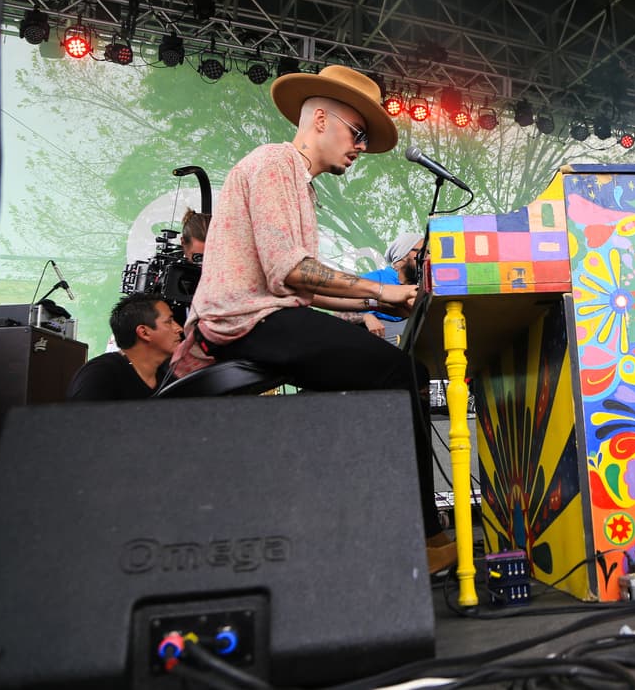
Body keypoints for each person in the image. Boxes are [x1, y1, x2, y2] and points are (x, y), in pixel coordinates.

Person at [169, 64, 455, 574]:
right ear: (320, 119)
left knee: (383, 379)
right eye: (357, 132)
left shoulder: (299, 184)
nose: (361, 147)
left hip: (264, 317)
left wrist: (374, 304)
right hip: (245, 321)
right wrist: (380, 289)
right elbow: (292, 271)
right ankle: (424, 539)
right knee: (400, 374)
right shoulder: (275, 163)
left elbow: (301, 287)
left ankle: (364, 530)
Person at [68, 293, 183, 400]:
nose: (179, 329)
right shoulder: (99, 375)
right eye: (169, 322)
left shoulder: (169, 376)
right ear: (144, 333)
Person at [360, 232, 424, 345]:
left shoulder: (422, 289)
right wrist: (366, 317)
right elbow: (339, 313)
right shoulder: (371, 280)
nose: (426, 258)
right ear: (402, 255)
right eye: (422, 252)